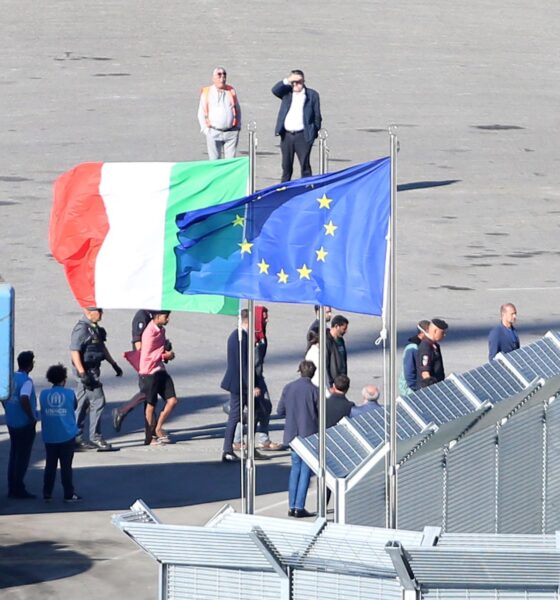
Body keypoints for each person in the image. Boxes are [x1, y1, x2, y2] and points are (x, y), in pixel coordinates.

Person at [70, 307, 122, 450]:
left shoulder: (94, 328)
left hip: (92, 369)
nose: (101, 314)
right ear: (88, 312)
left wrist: (114, 364)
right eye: (98, 311)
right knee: (98, 401)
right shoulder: (82, 329)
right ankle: (96, 437)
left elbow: (101, 347)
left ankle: (75, 437)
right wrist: (82, 373)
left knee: (82, 404)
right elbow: (74, 351)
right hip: (87, 371)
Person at [221, 309, 269, 462]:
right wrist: (250, 386)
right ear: (248, 321)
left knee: (254, 413)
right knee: (235, 416)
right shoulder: (239, 337)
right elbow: (243, 365)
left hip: (243, 382)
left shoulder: (243, 335)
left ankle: (250, 448)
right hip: (239, 384)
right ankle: (227, 450)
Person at [232, 305, 283, 451]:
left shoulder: (260, 335)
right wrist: (252, 384)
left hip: (258, 376)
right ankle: (237, 440)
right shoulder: (252, 338)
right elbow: (250, 363)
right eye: (264, 316)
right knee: (249, 409)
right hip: (250, 378)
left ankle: (263, 439)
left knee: (265, 407)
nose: (267, 319)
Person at [277, 360, 318, 518]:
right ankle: (299, 506)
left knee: (295, 470)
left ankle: (291, 505)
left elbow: (280, 410)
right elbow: (320, 413)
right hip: (308, 435)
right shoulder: (314, 391)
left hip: (292, 434)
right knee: (305, 471)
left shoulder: (288, 387)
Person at [40, 364, 81, 502]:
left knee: (50, 465)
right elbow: (74, 406)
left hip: (50, 436)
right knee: (66, 467)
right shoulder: (69, 393)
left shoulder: (44, 394)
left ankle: (47, 493)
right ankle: (68, 494)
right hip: (67, 435)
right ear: (64, 379)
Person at [272, 69, 322, 182]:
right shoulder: (287, 93)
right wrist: (289, 79)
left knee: (305, 166)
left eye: (298, 82)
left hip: (303, 136)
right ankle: (283, 189)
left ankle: (307, 188)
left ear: (303, 81)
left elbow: (317, 116)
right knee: (286, 166)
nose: (295, 84)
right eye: (293, 82)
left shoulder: (311, 95)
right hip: (287, 135)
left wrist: (313, 133)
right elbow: (275, 90)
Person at [138, 311, 178, 445]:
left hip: (160, 369)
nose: (168, 319)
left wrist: (165, 352)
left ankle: (158, 427)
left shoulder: (162, 330)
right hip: (149, 372)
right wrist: (164, 356)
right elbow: (147, 354)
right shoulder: (149, 333)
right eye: (166, 316)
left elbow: (159, 350)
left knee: (172, 400)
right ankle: (150, 436)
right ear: (157, 317)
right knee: (150, 405)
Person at [112, 309, 153, 433]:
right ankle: (121, 411)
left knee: (151, 394)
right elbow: (137, 341)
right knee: (147, 392)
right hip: (145, 361)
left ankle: (151, 430)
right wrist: (144, 360)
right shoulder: (142, 315)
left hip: (152, 359)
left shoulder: (152, 314)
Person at [5, 351, 37, 499]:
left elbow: (3, 395)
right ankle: (18, 487)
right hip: (24, 424)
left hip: (11, 421)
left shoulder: (10, 377)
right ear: (30, 365)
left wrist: (7, 408)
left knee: (14, 454)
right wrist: (31, 417)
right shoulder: (26, 381)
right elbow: (24, 398)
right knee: (22, 457)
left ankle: (12, 485)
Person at [197, 67, 241, 160]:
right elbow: (201, 113)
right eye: (219, 74)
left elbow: (237, 109)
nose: (222, 77)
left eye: (224, 74)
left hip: (231, 132)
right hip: (213, 132)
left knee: (230, 162)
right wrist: (205, 130)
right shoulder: (207, 92)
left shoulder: (231, 90)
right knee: (214, 161)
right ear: (213, 78)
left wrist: (238, 127)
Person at [399, 320, 430, 396]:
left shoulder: (426, 346)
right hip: (411, 391)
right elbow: (409, 374)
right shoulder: (412, 348)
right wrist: (416, 389)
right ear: (423, 333)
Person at [417, 318, 449, 389]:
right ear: (435, 331)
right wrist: (432, 389)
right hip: (429, 389)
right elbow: (425, 372)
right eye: (442, 333)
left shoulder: (434, 345)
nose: (444, 335)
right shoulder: (426, 347)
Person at [326, 315, 349, 387]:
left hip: (341, 380)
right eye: (344, 329)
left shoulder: (341, 340)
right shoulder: (327, 341)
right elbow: (326, 364)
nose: (345, 331)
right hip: (332, 382)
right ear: (336, 326)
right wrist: (330, 382)